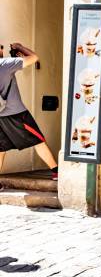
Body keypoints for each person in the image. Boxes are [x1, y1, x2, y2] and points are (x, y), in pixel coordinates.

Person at [0, 43, 58, 182]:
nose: (2, 49)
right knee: (38, 140)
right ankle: (57, 172)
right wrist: (20, 47)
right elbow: (34, 58)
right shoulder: (5, 63)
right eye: (1, 47)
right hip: (16, 113)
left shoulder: (8, 64)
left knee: (0, 149)